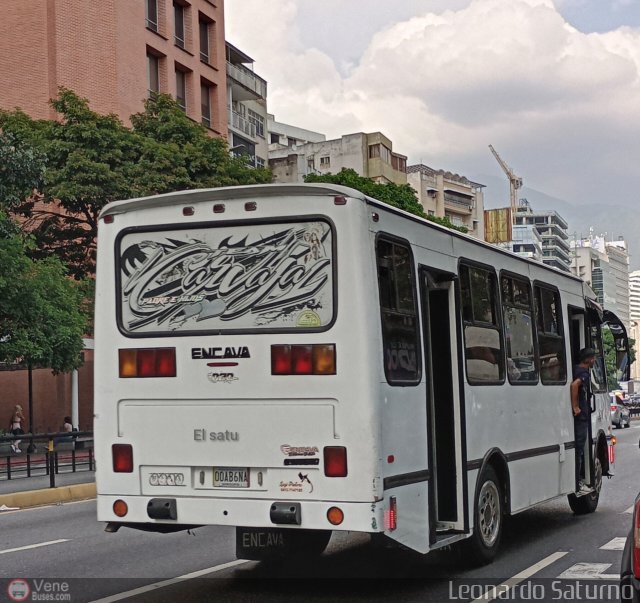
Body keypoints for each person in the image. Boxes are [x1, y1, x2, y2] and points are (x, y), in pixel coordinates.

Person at [570, 347, 596, 494]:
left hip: (581, 417)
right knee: (579, 450)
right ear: (589, 359)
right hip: (581, 418)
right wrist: (576, 407)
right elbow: (574, 386)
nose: (594, 360)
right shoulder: (584, 373)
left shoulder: (574, 369)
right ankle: (578, 482)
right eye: (593, 358)